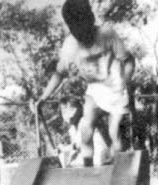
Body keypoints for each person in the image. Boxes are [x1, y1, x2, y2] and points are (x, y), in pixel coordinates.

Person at [38, 0, 135, 167]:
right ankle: (88, 168)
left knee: (114, 131)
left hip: (115, 86)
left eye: (82, 27)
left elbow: (129, 60)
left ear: (90, 19)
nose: (80, 34)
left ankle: (120, 168)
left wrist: (124, 83)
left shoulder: (106, 33)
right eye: (74, 29)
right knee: (85, 127)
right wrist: (44, 97)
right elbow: (59, 73)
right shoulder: (70, 44)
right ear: (70, 27)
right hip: (94, 90)